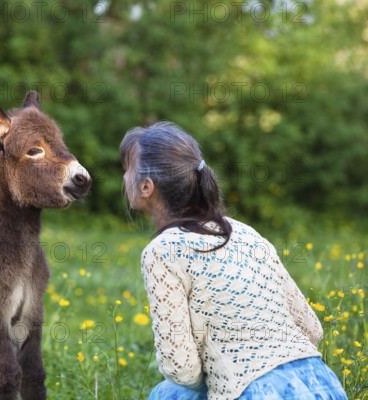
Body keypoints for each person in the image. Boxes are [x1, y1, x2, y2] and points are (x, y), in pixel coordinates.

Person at [120, 121, 347, 400]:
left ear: (146, 186)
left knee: (167, 394)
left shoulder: (163, 251)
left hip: (257, 393)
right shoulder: (244, 232)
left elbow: (181, 368)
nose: (123, 178)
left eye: (126, 169)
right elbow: (312, 329)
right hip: (322, 386)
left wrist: (231, 369)